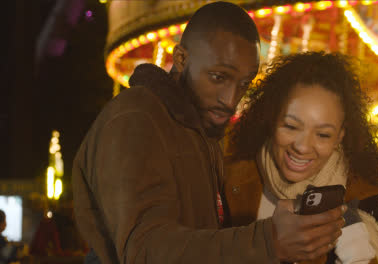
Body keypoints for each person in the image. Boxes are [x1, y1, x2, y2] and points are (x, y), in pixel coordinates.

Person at [72, 2, 345, 264]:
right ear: (180, 58)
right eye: (218, 77)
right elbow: (145, 251)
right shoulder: (136, 119)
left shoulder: (199, 130)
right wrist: (269, 240)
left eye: (244, 84)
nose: (231, 99)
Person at [224, 51, 378, 263]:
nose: (302, 146)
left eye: (322, 134)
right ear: (271, 119)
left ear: (340, 136)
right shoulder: (228, 182)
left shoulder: (368, 204)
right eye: (291, 126)